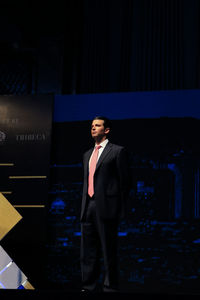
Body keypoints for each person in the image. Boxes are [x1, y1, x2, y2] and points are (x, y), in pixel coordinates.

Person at [80, 116, 130, 293]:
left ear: (106, 130)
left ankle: (110, 287)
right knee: (87, 251)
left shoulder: (117, 151)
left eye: (97, 125)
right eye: (92, 125)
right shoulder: (87, 154)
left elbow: (125, 182)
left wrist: (119, 209)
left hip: (107, 207)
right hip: (88, 206)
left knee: (109, 250)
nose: (93, 128)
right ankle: (88, 286)